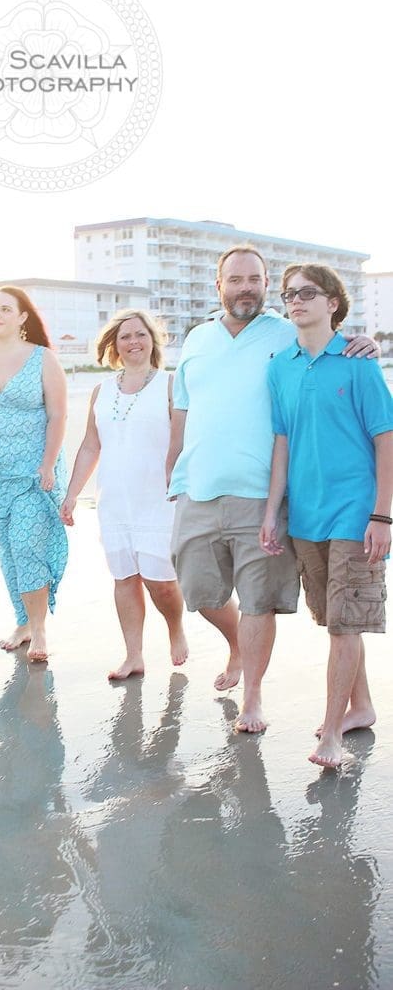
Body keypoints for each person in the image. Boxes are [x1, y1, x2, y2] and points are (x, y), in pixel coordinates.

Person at [166, 246, 378, 733]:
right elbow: (182, 411)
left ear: (266, 286)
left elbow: (335, 349)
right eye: (235, 279)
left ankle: (253, 698)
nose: (246, 288)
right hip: (197, 489)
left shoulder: (288, 333)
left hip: (263, 495)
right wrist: (172, 473)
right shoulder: (196, 339)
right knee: (198, 591)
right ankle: (241, 650)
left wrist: (366, 343)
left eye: (255, 279)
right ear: (218, 285)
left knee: (261, 601)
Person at [260, 263, 392, 768]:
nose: (296, 300)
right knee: (337, 620)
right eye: (290, 294)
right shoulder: (281, 367)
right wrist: (273, 511)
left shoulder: (358, 363)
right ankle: (361, 706)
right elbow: (282, 441)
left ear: (333, 302)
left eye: (308, 293)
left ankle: (332, 733)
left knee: (344, 625)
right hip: (306, 517)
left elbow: (386, 439)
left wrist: (382, 516)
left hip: (355, 515)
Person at [60, 310, 189, 680]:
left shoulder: (170, 383)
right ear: (114, 347)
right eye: (125, 337)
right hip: (114, 499)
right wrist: (72, 495)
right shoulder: (101, 391)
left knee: (161, 583)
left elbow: (183, 440)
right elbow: (89, 445)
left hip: (158, 500)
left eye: (140, 335)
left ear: (153, 340)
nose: (133, 342)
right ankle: (133, 655)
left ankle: (175, 628)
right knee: (124, 579)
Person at [0, 287, 68, 663]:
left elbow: (57, 414)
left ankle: (38, 630)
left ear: (23, 318)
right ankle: (22, 621)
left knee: (26, 543)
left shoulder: (43, 359)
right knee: (7, 549)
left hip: (34, 472)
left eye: (6, 308)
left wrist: (49, 463)